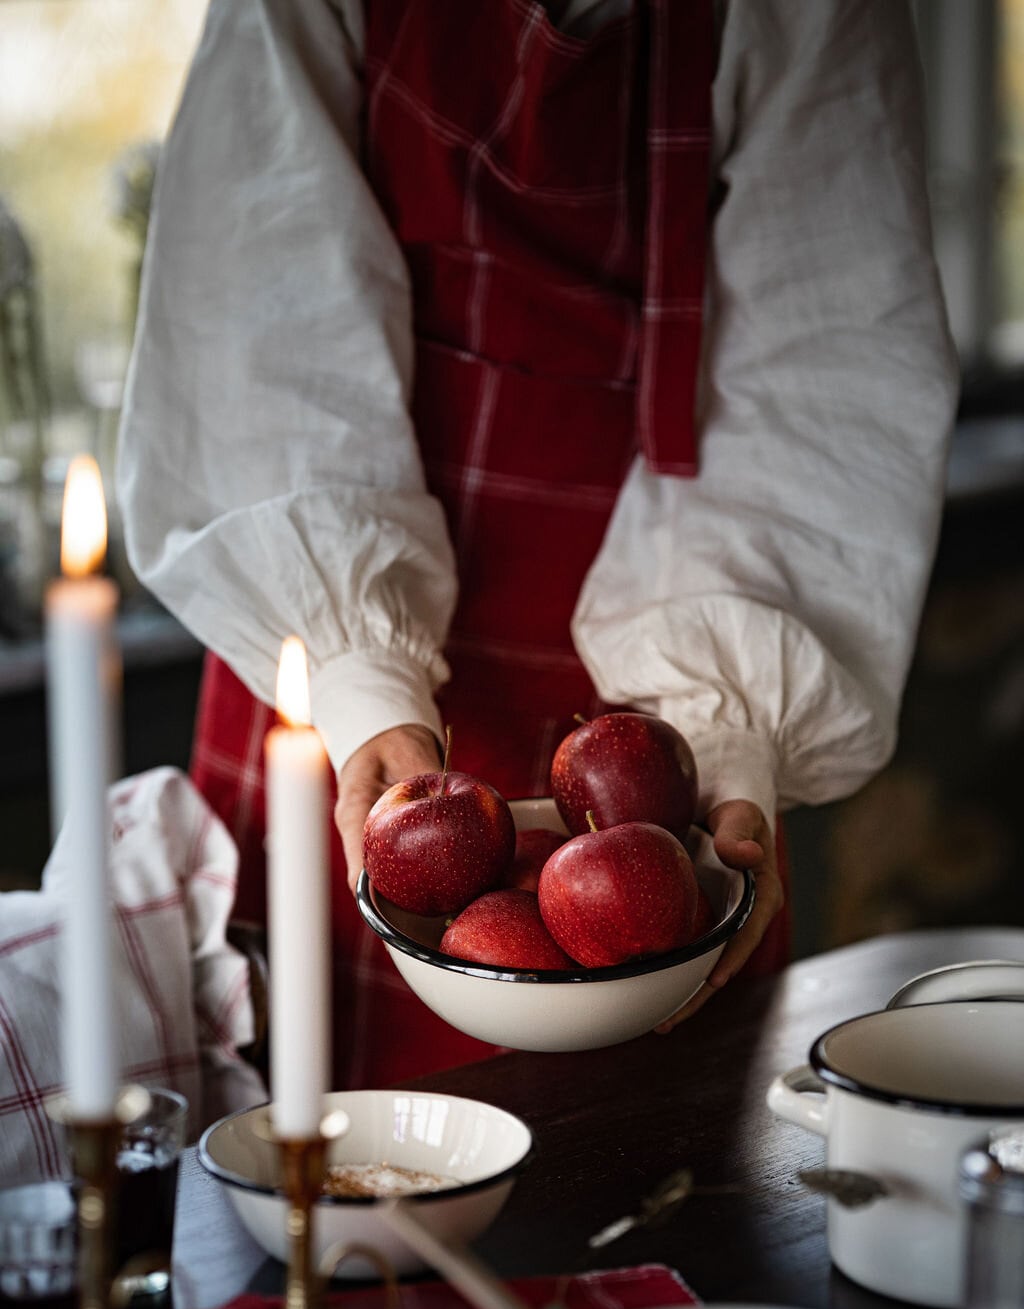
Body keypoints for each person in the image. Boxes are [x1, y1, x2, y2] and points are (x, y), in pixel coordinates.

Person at [116, 0, 958, 1087]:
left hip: (696, 601)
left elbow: (827, 357)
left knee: (650, 1168)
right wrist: (360, 676)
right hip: (329, 588)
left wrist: (727, 725)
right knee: (325, 1160)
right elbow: (252, 292)